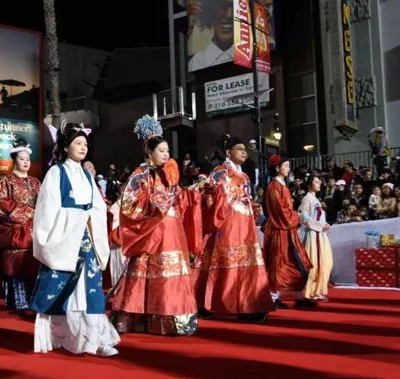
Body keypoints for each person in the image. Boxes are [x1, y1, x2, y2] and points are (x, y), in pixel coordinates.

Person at [31, 121, 120, 357]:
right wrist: (78, 216)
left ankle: (94, 340)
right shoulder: (56, 173)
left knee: (90, 290)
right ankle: (63, 336)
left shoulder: (87, 176)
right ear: (66, 147)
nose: (83, 147)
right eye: (78, 143)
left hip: (87, 238)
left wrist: (90, 215)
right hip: (66, 240)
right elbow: (47, 210)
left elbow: (98, 207)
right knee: (66, 288)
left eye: (85, 144)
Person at [110, 115, 198, 336]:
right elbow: (129, 204)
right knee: (147, 270)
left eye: (167, 150)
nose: (166, 154)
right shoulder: (140, 175)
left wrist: (194, 192)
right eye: (161, 150)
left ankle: (175, 319)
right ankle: (142, 319)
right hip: (152, 231)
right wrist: (158, 204)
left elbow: (178, 198)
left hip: (172, 229)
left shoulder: (168, 174)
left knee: (173, 271)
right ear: (149, 152)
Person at [192, 137, 273, 323]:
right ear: (228, 152)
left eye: (245, 149)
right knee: (226, 263)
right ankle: (214, 303)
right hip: (227, 224)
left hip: (244, 224)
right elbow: (209, 196)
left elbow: (246, 198)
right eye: (239, 149)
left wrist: (252, 207)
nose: (244, 152)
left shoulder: (244, 176)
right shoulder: (220, 172)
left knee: (245, 264)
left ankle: (246, 304)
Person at [0, 139, 41, 313]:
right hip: (17, 231)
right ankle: (18, 302)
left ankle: (34, 300)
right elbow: (0, 206)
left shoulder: (36, 182)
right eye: (22, 158)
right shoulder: (6, 182)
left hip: (35, 230)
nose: (26, 162)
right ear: (14, 160)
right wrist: (29, 212)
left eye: (28, 158)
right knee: (18, 265)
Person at [263, 155, 316, 309]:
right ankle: (273, 298)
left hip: (288, 230)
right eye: (285, 165)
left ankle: (298, 297)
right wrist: (297, 216)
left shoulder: (283, 186)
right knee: (280, 264)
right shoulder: (274, 187)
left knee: (297, 262)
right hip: (280, 231)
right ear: (277, 168)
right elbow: (280, 212)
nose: (288, 168)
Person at [298, 176, 333, 301]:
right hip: (312, 235)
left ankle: (317, 290)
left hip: (319, 235)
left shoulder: (315, 199)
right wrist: (321, 226)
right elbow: (304, 218)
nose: (319, 184)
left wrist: (325, 225)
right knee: (314, 262)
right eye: (316, 182)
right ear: (309, 185)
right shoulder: (307, 199)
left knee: (324, 262)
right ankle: (309, 291)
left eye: (319, 182)